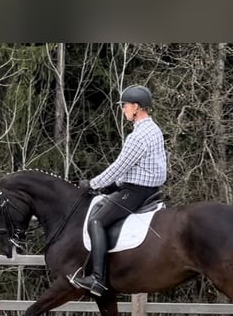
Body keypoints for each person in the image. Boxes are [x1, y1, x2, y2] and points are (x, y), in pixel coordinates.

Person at [67, 84, 167, 296]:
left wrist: (92, 184)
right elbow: (135, 167)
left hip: (136, 192)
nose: (123, 110)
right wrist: (114, 185)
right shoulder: (153, 129)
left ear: (136, 107)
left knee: (97, 220)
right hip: (148, 189)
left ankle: (97, 279)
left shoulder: (137, 137)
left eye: (125, 106)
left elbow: (119, 166)